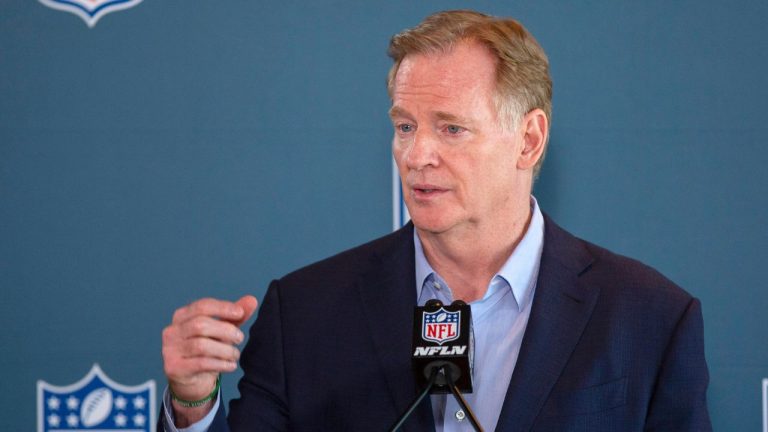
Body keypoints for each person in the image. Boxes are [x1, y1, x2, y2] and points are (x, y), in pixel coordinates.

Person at [160, 10, 712, 431]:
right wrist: (192, 401)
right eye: (405, 126)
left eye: (450, 128)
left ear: (529, 139)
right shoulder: (304, 313)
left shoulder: (649, 319)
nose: (416, 154)